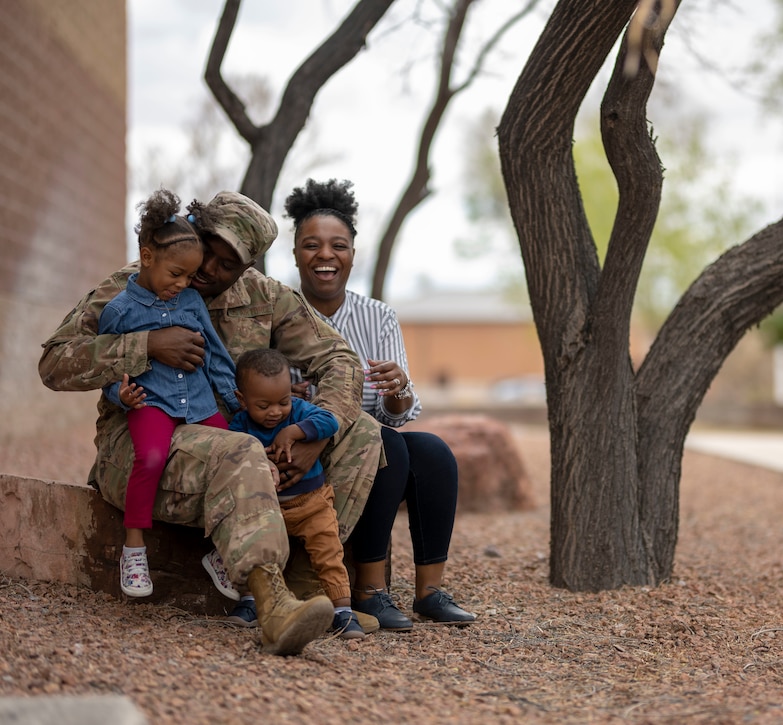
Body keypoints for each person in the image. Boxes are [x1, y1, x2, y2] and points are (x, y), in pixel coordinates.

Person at [39, 189, 385, 655]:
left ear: (247, 268)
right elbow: (55, 363)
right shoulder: (134, 287)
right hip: (147, 451)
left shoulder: (265, 297)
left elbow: (341, 359)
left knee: (361, 430)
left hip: (236, 444)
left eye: (227, 264)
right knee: (241, 449)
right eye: (208, 250)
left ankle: (306, 584)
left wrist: (310, 439)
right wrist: (145, 345)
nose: (207, 271)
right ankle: (272, 604)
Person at [285, 178, 475, 629]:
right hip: (307, 445)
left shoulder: (378, 316)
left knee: (431, 451)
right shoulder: (280, 313)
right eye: (311, 245)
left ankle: (429, 591)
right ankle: (371, 590)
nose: (325, 255)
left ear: (353, 253)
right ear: (295, 253)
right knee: (389, 445)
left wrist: (399, 389)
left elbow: (401, 413)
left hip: (377, 442)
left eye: (339, 245)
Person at [98, 189, 240, 598]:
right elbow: (108, 366)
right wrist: (117, 395)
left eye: (187, 276)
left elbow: (213, 354)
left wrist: (233, 401)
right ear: (146, 257)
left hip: (196, 402)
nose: (181, 284)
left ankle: (218, 552)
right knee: (152, 457)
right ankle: (134, 548)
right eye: (175, 273)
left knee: (236, 452)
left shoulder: (192, 301)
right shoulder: (120, 310)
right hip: (151, 403)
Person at [219, 347, 366, 639]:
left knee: (328, 553)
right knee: (258, 550)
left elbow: (330, 421)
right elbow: (232, 448)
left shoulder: (298, 411)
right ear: (242, 399)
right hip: (268, 509)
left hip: (312, 504)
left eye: (282, 401)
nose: (275, 412)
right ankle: (251, 601)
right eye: (264, 406)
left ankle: (342, 610)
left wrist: (294, 431)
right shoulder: (240, 424)